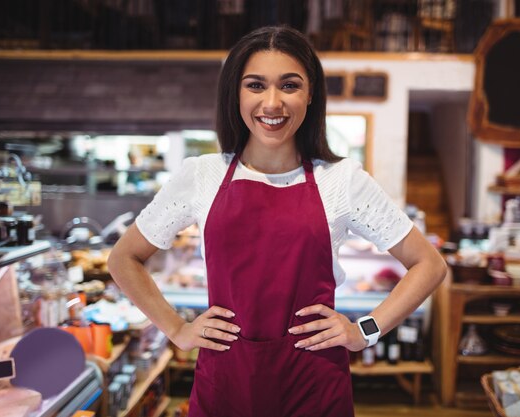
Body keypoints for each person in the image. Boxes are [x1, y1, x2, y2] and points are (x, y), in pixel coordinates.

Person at [108, 25, 447, 417]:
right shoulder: (201, 175)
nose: (272, 103)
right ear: (235, 93)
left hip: (313, 385)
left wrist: (364, 331)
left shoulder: (341, 180)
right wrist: (177, 329)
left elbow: (429, 264)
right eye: (255, 85)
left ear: (310, 95)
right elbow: (123, 258)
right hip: (225, 382)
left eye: (289, 85)